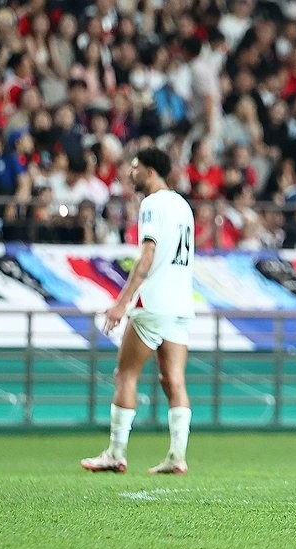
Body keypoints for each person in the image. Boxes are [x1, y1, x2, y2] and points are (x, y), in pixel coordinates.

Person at [81, 148, 195, 475]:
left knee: (125, 374)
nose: (131, 173)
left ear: (149, 171)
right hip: (181, 303)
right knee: (173, 378)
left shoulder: (151, 204)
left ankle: (116, 453)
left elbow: (147, 257)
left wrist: (121, 303)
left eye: (135, 167)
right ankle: (177, 455)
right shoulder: (182, 205)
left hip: (154, 302)